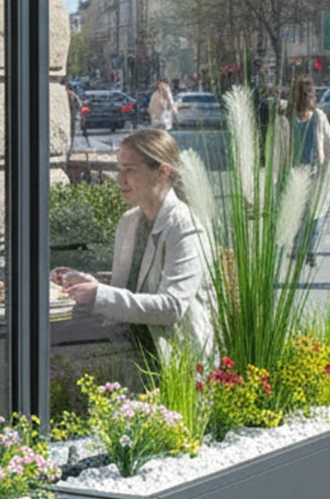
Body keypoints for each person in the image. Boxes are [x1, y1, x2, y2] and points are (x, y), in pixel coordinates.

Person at [50, 127, 212, 357]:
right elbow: (127, 292)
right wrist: (89, 283)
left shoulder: (185, 227)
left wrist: (99, 295)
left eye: (130, 170)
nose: (120, 179)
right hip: (129, 349)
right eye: (119, 169)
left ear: (162, 172)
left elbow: (172, 307)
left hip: (177, 361)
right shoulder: (129, 222)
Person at [286, 76, 330, 264]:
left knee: (315, 214)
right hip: (294, 174)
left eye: (308, 92)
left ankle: (310, 250)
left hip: (314, 173)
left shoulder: (318, 117)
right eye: (302, 92)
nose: (306, 96)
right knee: (297, 213)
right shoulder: (287, 118)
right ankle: (297, 248)